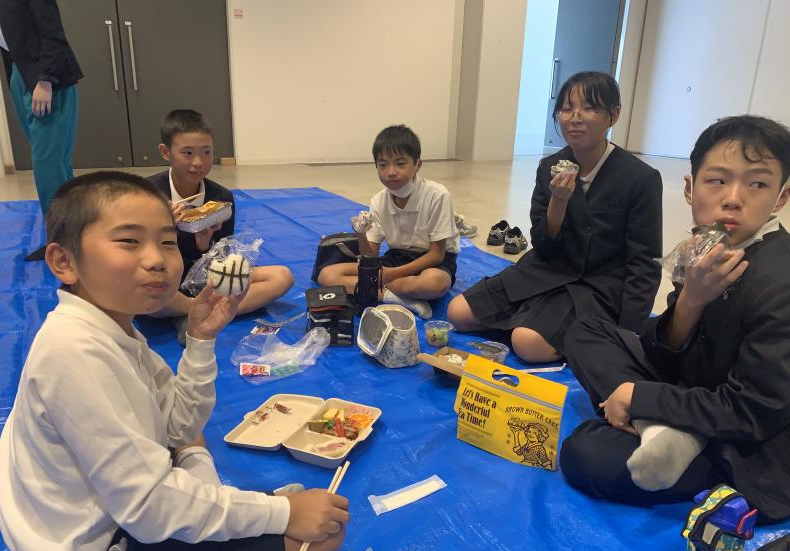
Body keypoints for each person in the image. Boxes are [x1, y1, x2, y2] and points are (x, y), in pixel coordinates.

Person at [0, 172, 349, 551]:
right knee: (321, 535)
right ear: (64, 262)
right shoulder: (72, 351)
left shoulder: (115, 331)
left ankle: (210, 500)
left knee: (201, 446)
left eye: (166, 241)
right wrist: (283, 512)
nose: (157, 259)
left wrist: (201, 338)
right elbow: (149, 508)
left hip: (123, 509)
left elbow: (180, 427)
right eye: (129, 241)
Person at [560, 115, 790, 523]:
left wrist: (640, 398)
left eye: (757, 184)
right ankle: (662, 430)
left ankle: (674, 434)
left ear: (781, 196)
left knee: (587, 453)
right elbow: (664, 355)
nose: (733, 199)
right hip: (695, 385)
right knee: (585, 330)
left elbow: (754, 410)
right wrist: (690, 301)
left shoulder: (780, 280)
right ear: (689, 188)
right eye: (717, 180)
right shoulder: (706, 244)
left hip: (743, 438)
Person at [447, 71, 662, 362]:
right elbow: (543, 246)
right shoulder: (550, 166)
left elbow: (644, 262)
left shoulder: (639, 178)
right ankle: (537, 321)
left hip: (595, 284)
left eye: (589, 108)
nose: (575, 117)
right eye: (567, 108)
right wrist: (558, 202)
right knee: (457, 313)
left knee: (527, 344)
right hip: (548, 269)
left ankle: (549, 328)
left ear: (613, 115)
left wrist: (625, 331)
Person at [147, 109, 293, 343]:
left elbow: (220, 262)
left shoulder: (220, 197)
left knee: (282, 277)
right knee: (145, 293)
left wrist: (204, 244)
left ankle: (196, 313)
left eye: (207, 152)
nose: (199, 162)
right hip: (164, 279)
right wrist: (162, 227)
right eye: (187, 153)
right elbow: (139, 255)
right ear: (166, 152)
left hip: (204, 281)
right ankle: (195, 310)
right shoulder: (148, 195)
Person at [317, 124, 459, 319]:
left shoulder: (437, 195)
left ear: (417, 165)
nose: (391, 172)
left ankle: (381, 288)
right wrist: (361, 234)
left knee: (435, 283)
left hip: (432, 261)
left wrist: (390, 274)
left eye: (400, 164)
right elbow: (370, 255)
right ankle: (393, 297)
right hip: (396, 258)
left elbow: (436, 254)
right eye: (383, 165)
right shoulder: (379, 200)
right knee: (327, 275)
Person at [0, 0, 82, 261]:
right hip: (20, 72)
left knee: (48, 165)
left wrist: (46, 80)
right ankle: (73, 231)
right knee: (54, 164)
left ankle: (61, 242)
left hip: (47, 79)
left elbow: (53, 33)